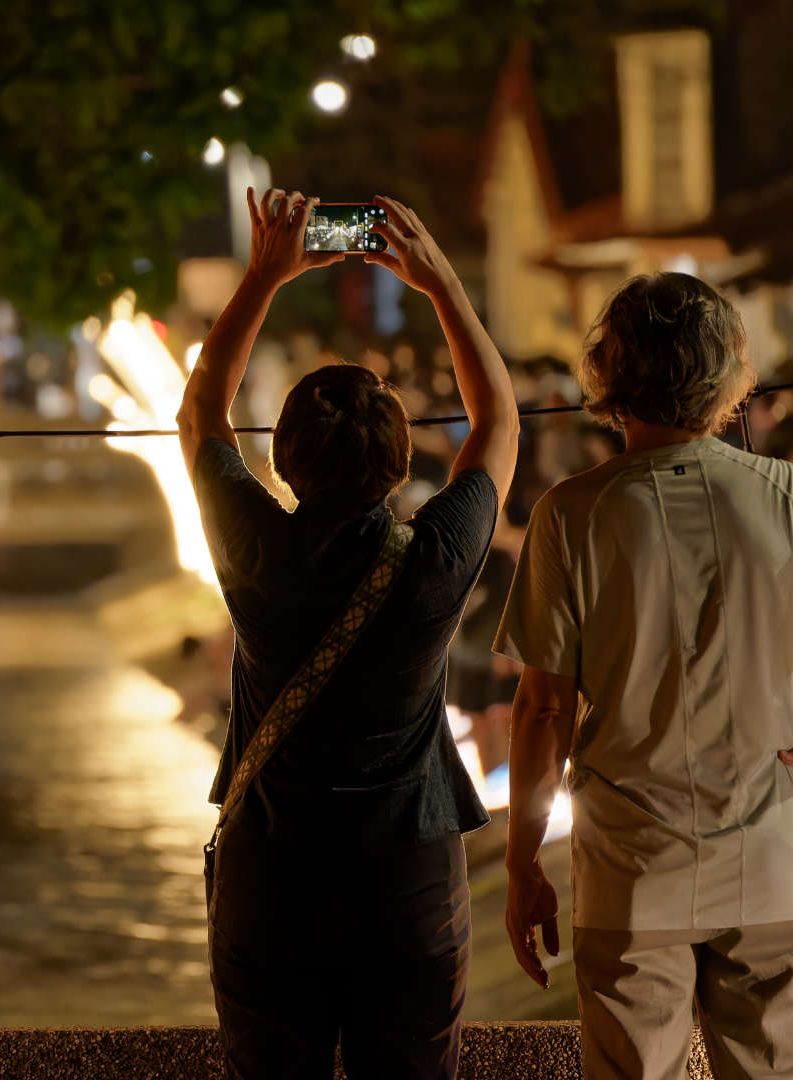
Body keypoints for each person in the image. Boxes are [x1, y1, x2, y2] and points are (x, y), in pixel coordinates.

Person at [495, 271, 793, 1080]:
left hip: (631, 875)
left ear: (607, 372)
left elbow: (540, 711)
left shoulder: (573, 512)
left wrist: (524, 863)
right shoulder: (789, 494)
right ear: (731, 378)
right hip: (771, 857)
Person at [179, 190, 517, 1080]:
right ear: (403, 462)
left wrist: (265, 275)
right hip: (407, 880)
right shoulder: (434, 562)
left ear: (285, 458)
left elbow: (202, 415)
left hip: (272, 880)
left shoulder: (256, 547)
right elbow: (499, 425)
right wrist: (440, 282)